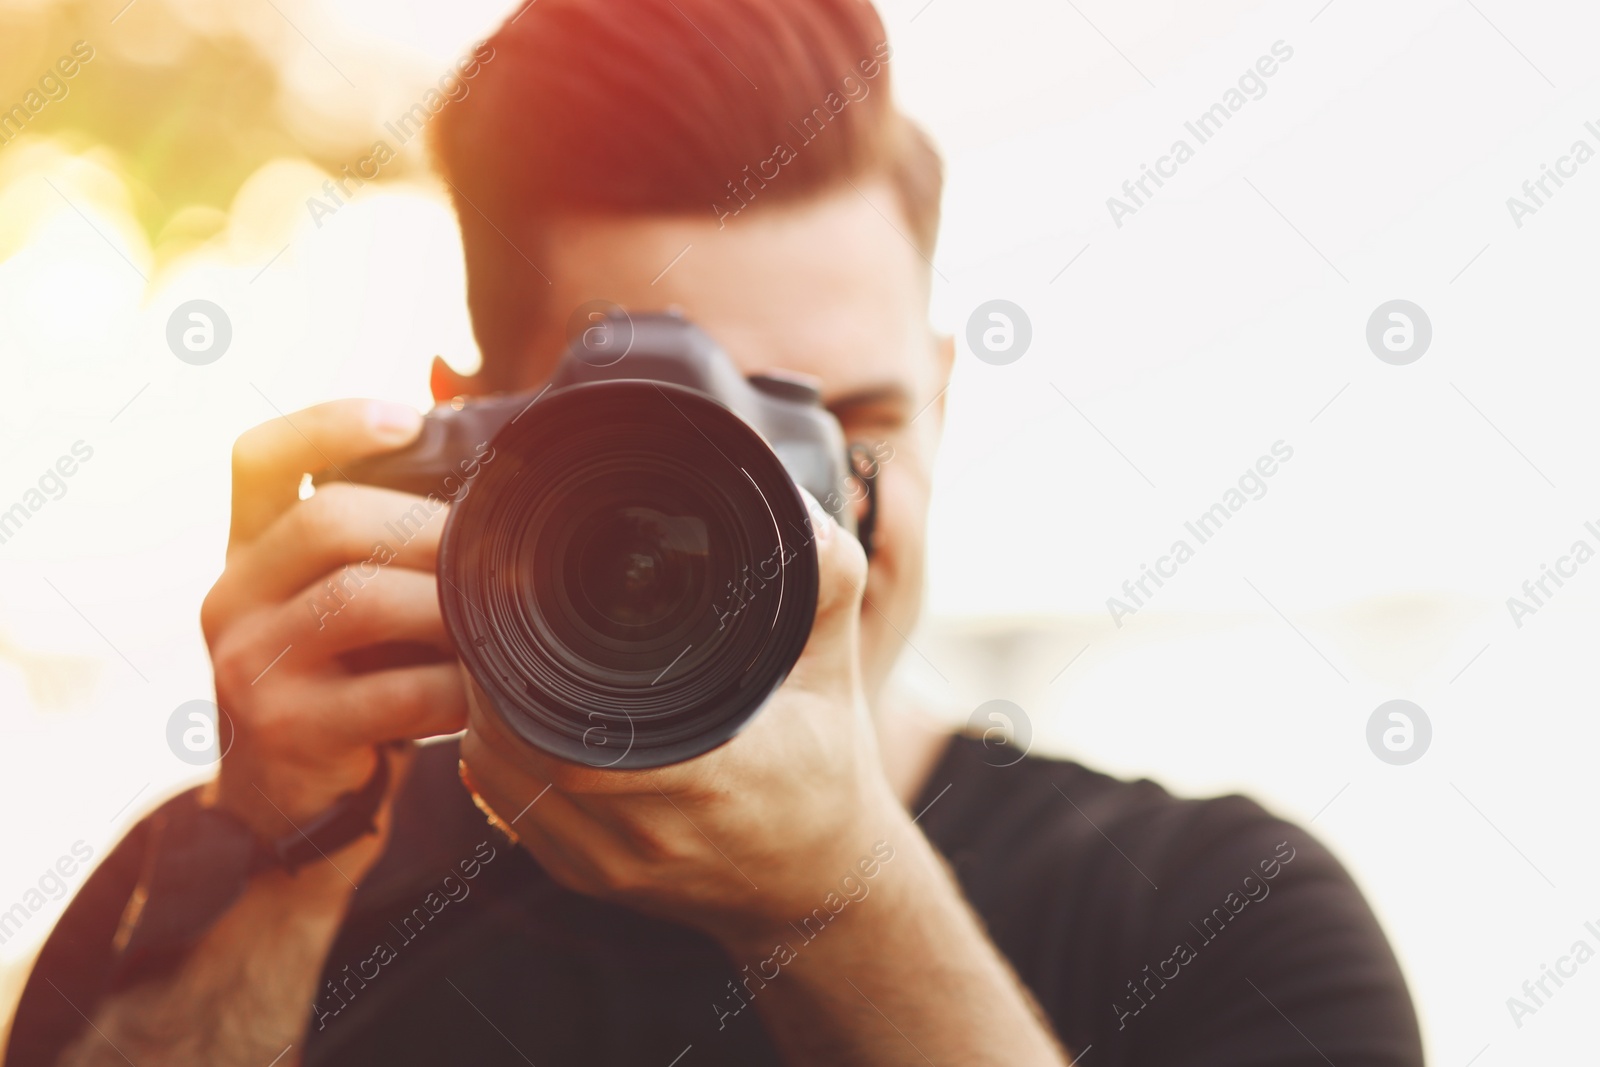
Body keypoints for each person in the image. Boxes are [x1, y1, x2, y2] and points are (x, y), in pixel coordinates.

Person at [7, 0, 1424, 1064]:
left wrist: (850, 900)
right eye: (670, 448)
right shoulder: (236, 881)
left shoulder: (1220, 920)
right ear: (473, 437)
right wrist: (278, 867)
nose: (791, 539)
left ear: (938, 392)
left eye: (838, 427)